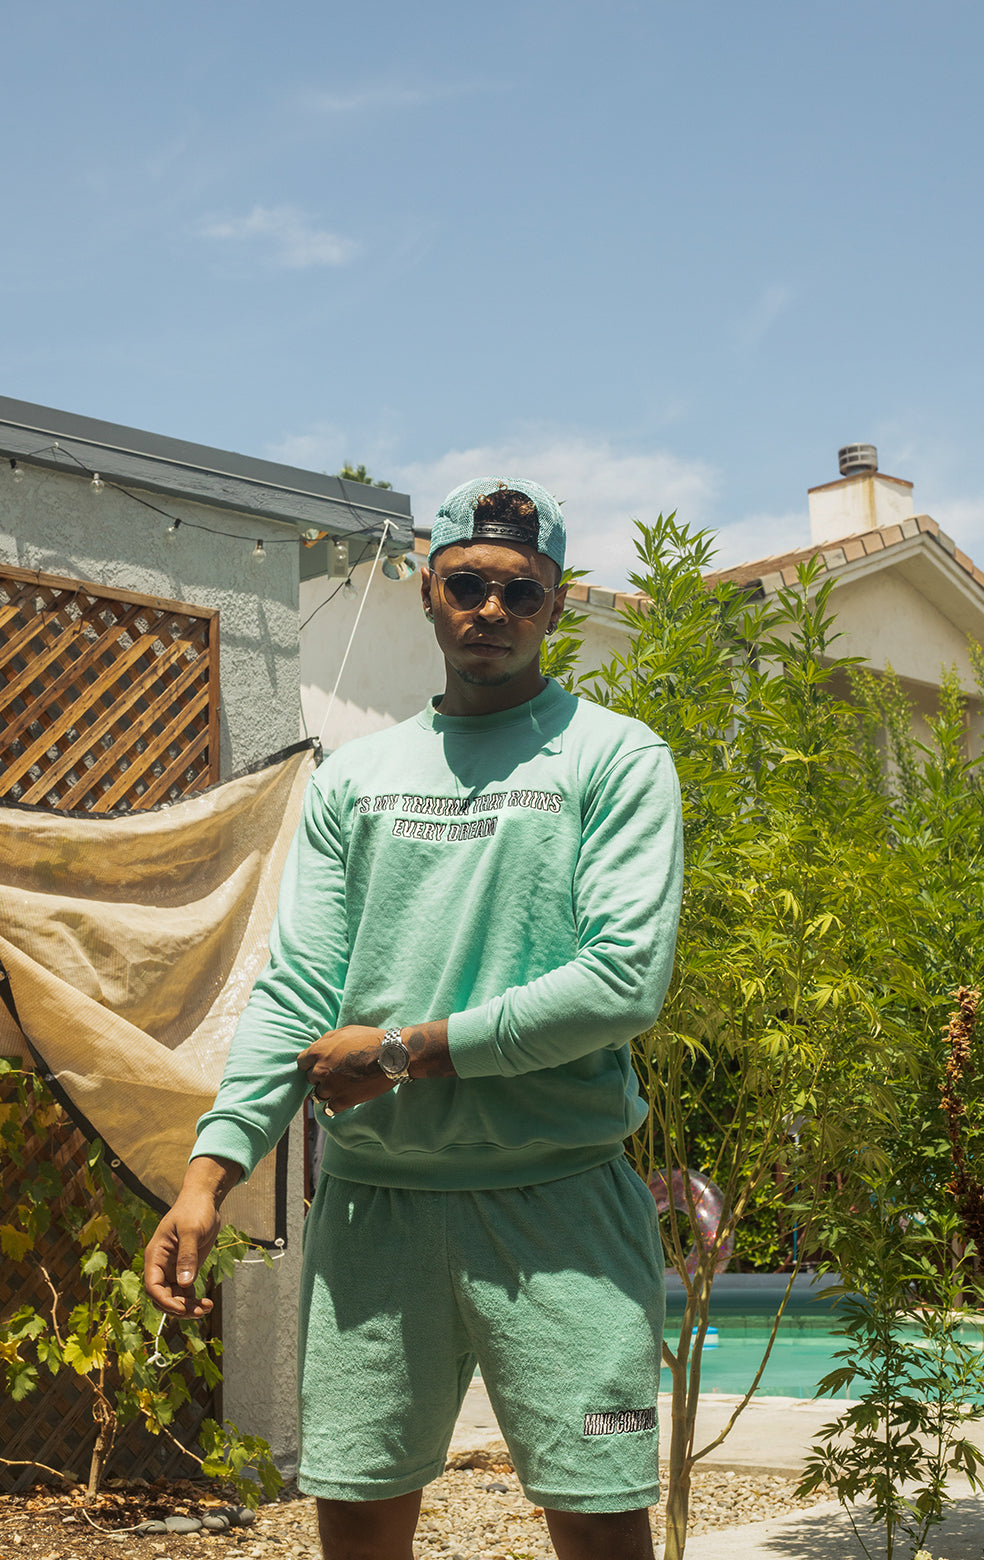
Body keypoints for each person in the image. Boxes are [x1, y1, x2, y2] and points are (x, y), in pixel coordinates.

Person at [145, 476, 684, 1560]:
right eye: (467, 584)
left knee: (597, 1509)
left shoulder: (613, 758)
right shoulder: (357, 779)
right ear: (426, 597)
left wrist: (403, 1052)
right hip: (376, 1209)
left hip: (559, 1202)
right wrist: (210, 1174)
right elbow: (297, 986)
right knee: (353, 1506)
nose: (491, 609)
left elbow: (621, 977)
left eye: (519, 592)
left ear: (557, 606)